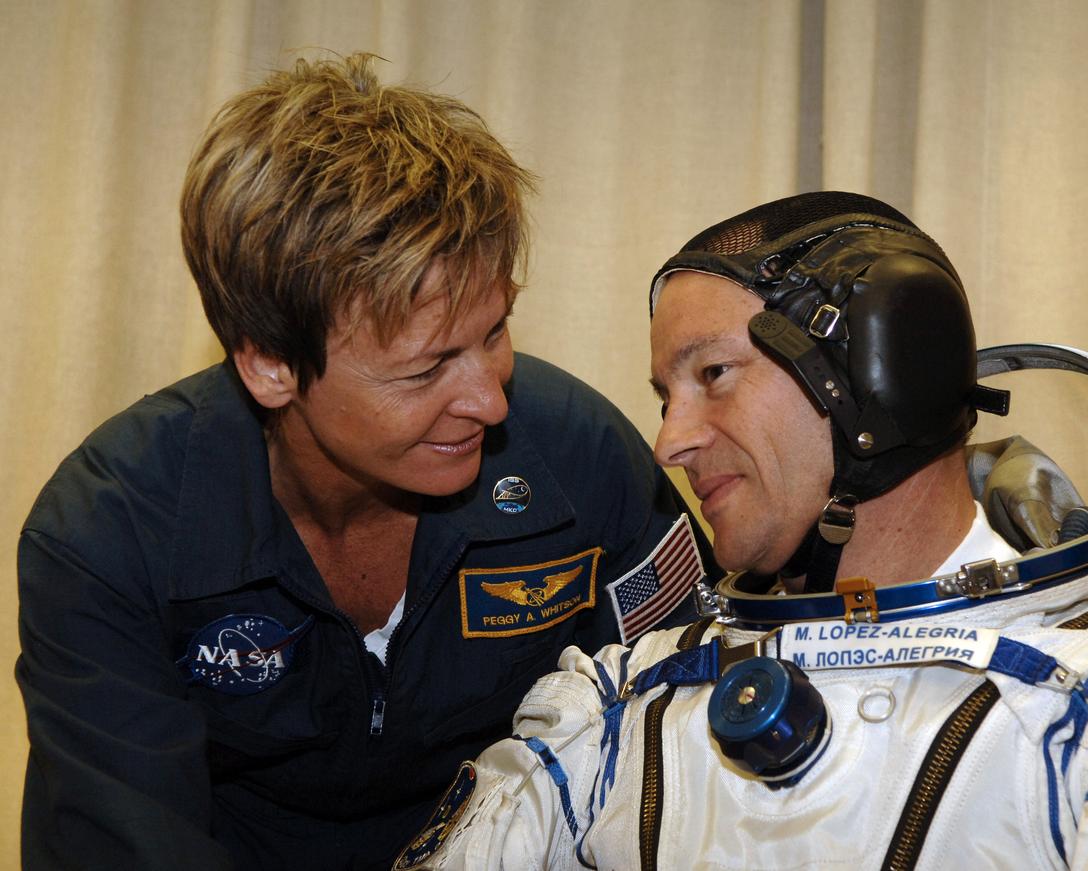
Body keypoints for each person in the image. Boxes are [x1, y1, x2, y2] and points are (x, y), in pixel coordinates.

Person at [405, 192, 1088, 870]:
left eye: (713, 373)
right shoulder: (611, 713)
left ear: (877, 377)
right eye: (664, 398)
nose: (670, 441)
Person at [16, 53, 716, 871]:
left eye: (494, 332)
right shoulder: (110, 530)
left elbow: (677, 762)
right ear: (271, 365)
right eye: (425, 369)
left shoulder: (580, 461)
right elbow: (123, 846)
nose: (490, 401)